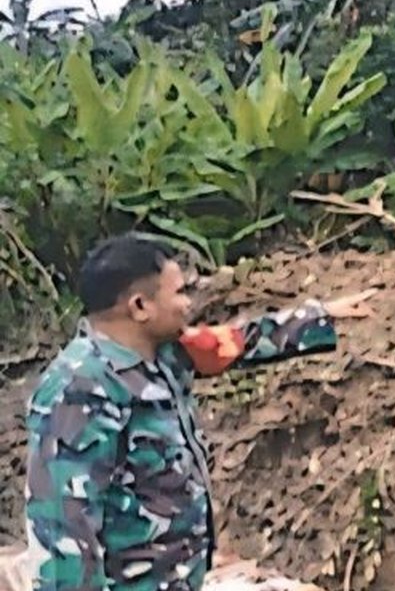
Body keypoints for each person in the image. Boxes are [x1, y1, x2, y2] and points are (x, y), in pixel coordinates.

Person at [23, 233, 374, 591]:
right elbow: (62, 528)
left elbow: (236, 341)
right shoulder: (78, 388)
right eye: (178, 293)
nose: (188, 303)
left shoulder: (164, 355)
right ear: (140, 306)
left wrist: (319, 316)